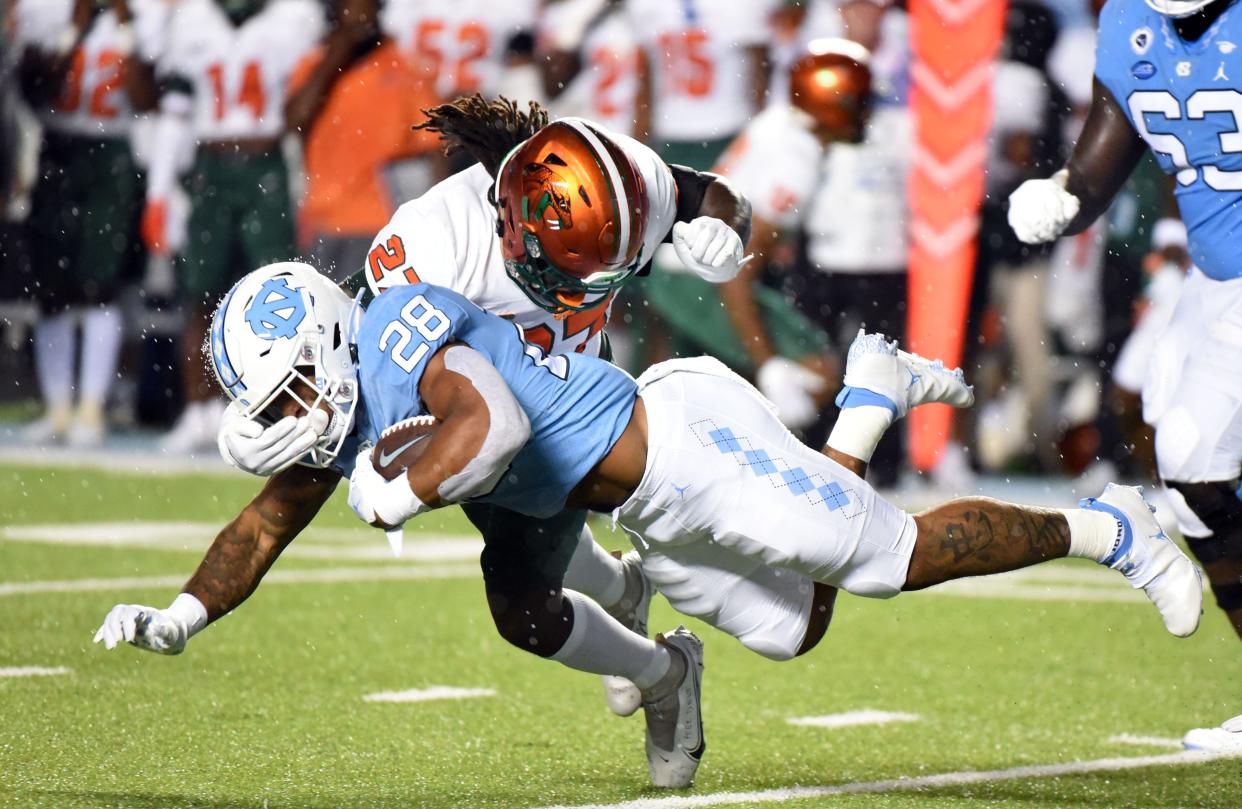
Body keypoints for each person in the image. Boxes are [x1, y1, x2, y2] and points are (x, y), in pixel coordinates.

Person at [95, 263, 1203, 785]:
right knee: (782, 629)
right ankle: (864, 400)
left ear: (331, 351)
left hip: (677, 444)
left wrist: (405, 489)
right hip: (625, 505)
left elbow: (487, 423)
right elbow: (258, 526)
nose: (286, 422)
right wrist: (182, 614)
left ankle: (1113, 526)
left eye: (287, 392)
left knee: (885, 558)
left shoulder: (396, 329)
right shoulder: (338, 418)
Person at [1006, 0, 1242, 752]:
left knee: (1194, 452)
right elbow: (1101, 164)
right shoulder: (1128, 26)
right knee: (1195, 487)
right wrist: (1062, 197)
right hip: (1211, 283)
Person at [142, 0, 325, 453]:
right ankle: (198, 411)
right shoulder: (192, 19)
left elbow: (308, 99)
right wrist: (160, 191)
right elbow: (174, 109)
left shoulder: (295, 17)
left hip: (268, 164)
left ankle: (281, 411)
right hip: (211, 165)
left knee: (281, 295)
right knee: (199, 293)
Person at [14, 0, 168, 447]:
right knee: (52, 288)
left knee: (100, 284)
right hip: (58, 145)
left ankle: (91, 408)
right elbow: (33, 89)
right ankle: (59, 407)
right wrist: (73, 31)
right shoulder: (44, 9)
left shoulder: (142, 12)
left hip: (113, 153)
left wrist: (126, 28)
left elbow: (145, 100)